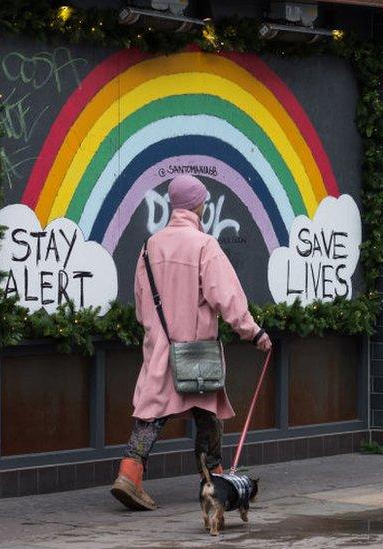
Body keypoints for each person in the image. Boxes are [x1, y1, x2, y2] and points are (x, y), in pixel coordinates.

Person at [110, 174, 272, 511]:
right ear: (197, 204)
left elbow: (141, 306)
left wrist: (156, 330)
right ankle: (212, 479)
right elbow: (226, 296)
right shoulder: (204, 245)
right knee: (207, 413)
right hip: (197, 350)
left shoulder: (149, 246)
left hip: (160, 347)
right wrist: (252, 332)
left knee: (151, 412)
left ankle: (130, 472)